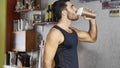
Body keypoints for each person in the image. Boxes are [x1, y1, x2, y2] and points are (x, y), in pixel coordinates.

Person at [43, 0, 97, 68]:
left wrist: (92, 20)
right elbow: (47, 62)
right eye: (72, 7)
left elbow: (92, 38)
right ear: (64, 13)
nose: (76, 9)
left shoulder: (72, 30)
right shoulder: (55, 33)